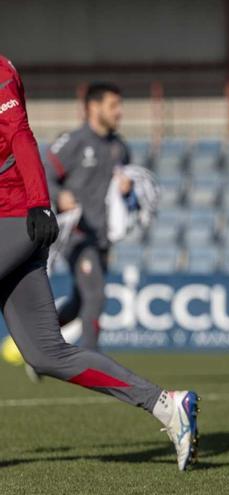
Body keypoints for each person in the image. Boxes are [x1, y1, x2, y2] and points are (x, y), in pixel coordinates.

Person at [0, 54, 199, 471]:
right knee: (46, 354)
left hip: (17, 217)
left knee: (88, 304)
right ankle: (166, 405)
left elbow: (20, 134)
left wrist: (41, 203)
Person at [44, 82, 132, 351]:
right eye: (113, 106)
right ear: (93, 107)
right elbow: (43, 172)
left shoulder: (120, 148)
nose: (119, 112)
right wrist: (59, 195)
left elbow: (125, 188)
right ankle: (94, 362)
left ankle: (37, 345)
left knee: (80, 302)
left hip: (102, 237)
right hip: (77, 235)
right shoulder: (74, 142)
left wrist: (128, 189)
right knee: (95, 296)